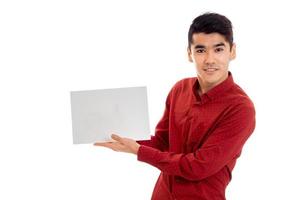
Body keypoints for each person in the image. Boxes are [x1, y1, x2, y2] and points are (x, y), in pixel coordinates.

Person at [94, 12, 256, 200]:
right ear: (190, 53)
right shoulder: (180, 89)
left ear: (232, 51)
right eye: (201, 50)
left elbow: (198, 166)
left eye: (218, 49)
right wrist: (122, 137)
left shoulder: (241, 109)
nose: (210, 59)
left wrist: (138, 150)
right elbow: (163, 143)